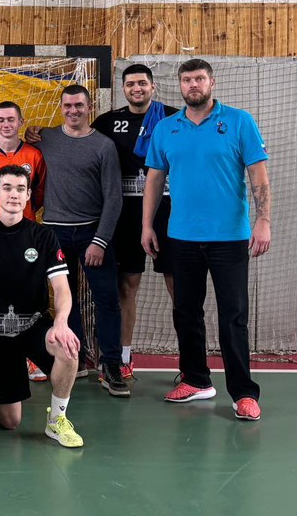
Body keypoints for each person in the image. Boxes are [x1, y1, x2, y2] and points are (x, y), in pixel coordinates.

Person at [143, 58, 270, 421]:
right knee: (185, 312)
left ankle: (243, 393)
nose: (193, 85)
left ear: (211, 83)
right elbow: (154, 180)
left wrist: (263, 220)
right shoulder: (166, 128)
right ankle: (197, 379)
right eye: (187, 80)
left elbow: (258, 176)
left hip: (229, 238)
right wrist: (146, 226)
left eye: (199, 78)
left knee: (234, 316)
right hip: (181, 238)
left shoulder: (239, 121)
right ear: (180, 85)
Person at [0, 165, 84, 448]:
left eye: (20, 189)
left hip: (33, 326)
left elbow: (62, 288)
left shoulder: (43, 236)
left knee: (68, 348)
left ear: (29, 195)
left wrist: (61, 323)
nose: (14, 194)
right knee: (10, 422)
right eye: (7, 188)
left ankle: (57, 419)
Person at [34, 85, 128, 397]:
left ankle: (111, 365)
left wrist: (100, 241)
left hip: (91, 233)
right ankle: (75, 357)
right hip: (55, 233)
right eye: (68, 105)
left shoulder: (103, 146)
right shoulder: (45, 138)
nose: (73, 110)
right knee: (66, 298)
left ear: (89, 108)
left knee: (107, 300)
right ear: (61, 107)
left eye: (79, 105)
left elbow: (113, 198)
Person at [93, 64, 178, 378]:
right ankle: (124, 358)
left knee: (178, 286)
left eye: (142, 83)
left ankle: (190, 361)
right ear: (123, 89)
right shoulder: (107, 122)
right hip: (125, 213)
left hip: (167, 211)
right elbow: (78, 138)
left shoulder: (174, 118)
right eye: (130, 84)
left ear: (153, 87)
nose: (136, 89)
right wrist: (40, 134)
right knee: (127, 286)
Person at [0, 100, 48, 383]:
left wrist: (24, 216)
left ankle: (30, 357)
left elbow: (38, 193)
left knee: (27, 291)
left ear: (20, 122)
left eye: (11, 119)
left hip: (25, 233)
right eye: (0, 120)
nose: (6, 125)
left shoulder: (34, 155)